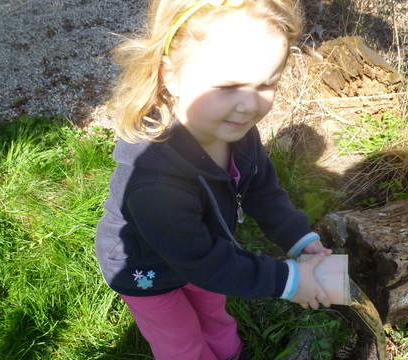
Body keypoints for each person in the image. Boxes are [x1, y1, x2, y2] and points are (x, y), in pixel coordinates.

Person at [95, 0, 334, 359]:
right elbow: (206, 264)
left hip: (204, 249)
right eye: (228, 86)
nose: (249, 106)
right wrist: (288, 281)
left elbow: (263, 190)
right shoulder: (155, 184)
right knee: (181, 343)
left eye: (266, 85)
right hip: (146, 270)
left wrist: (298, 238)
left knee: (214, 315)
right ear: (170, 75)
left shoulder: (236, 131)